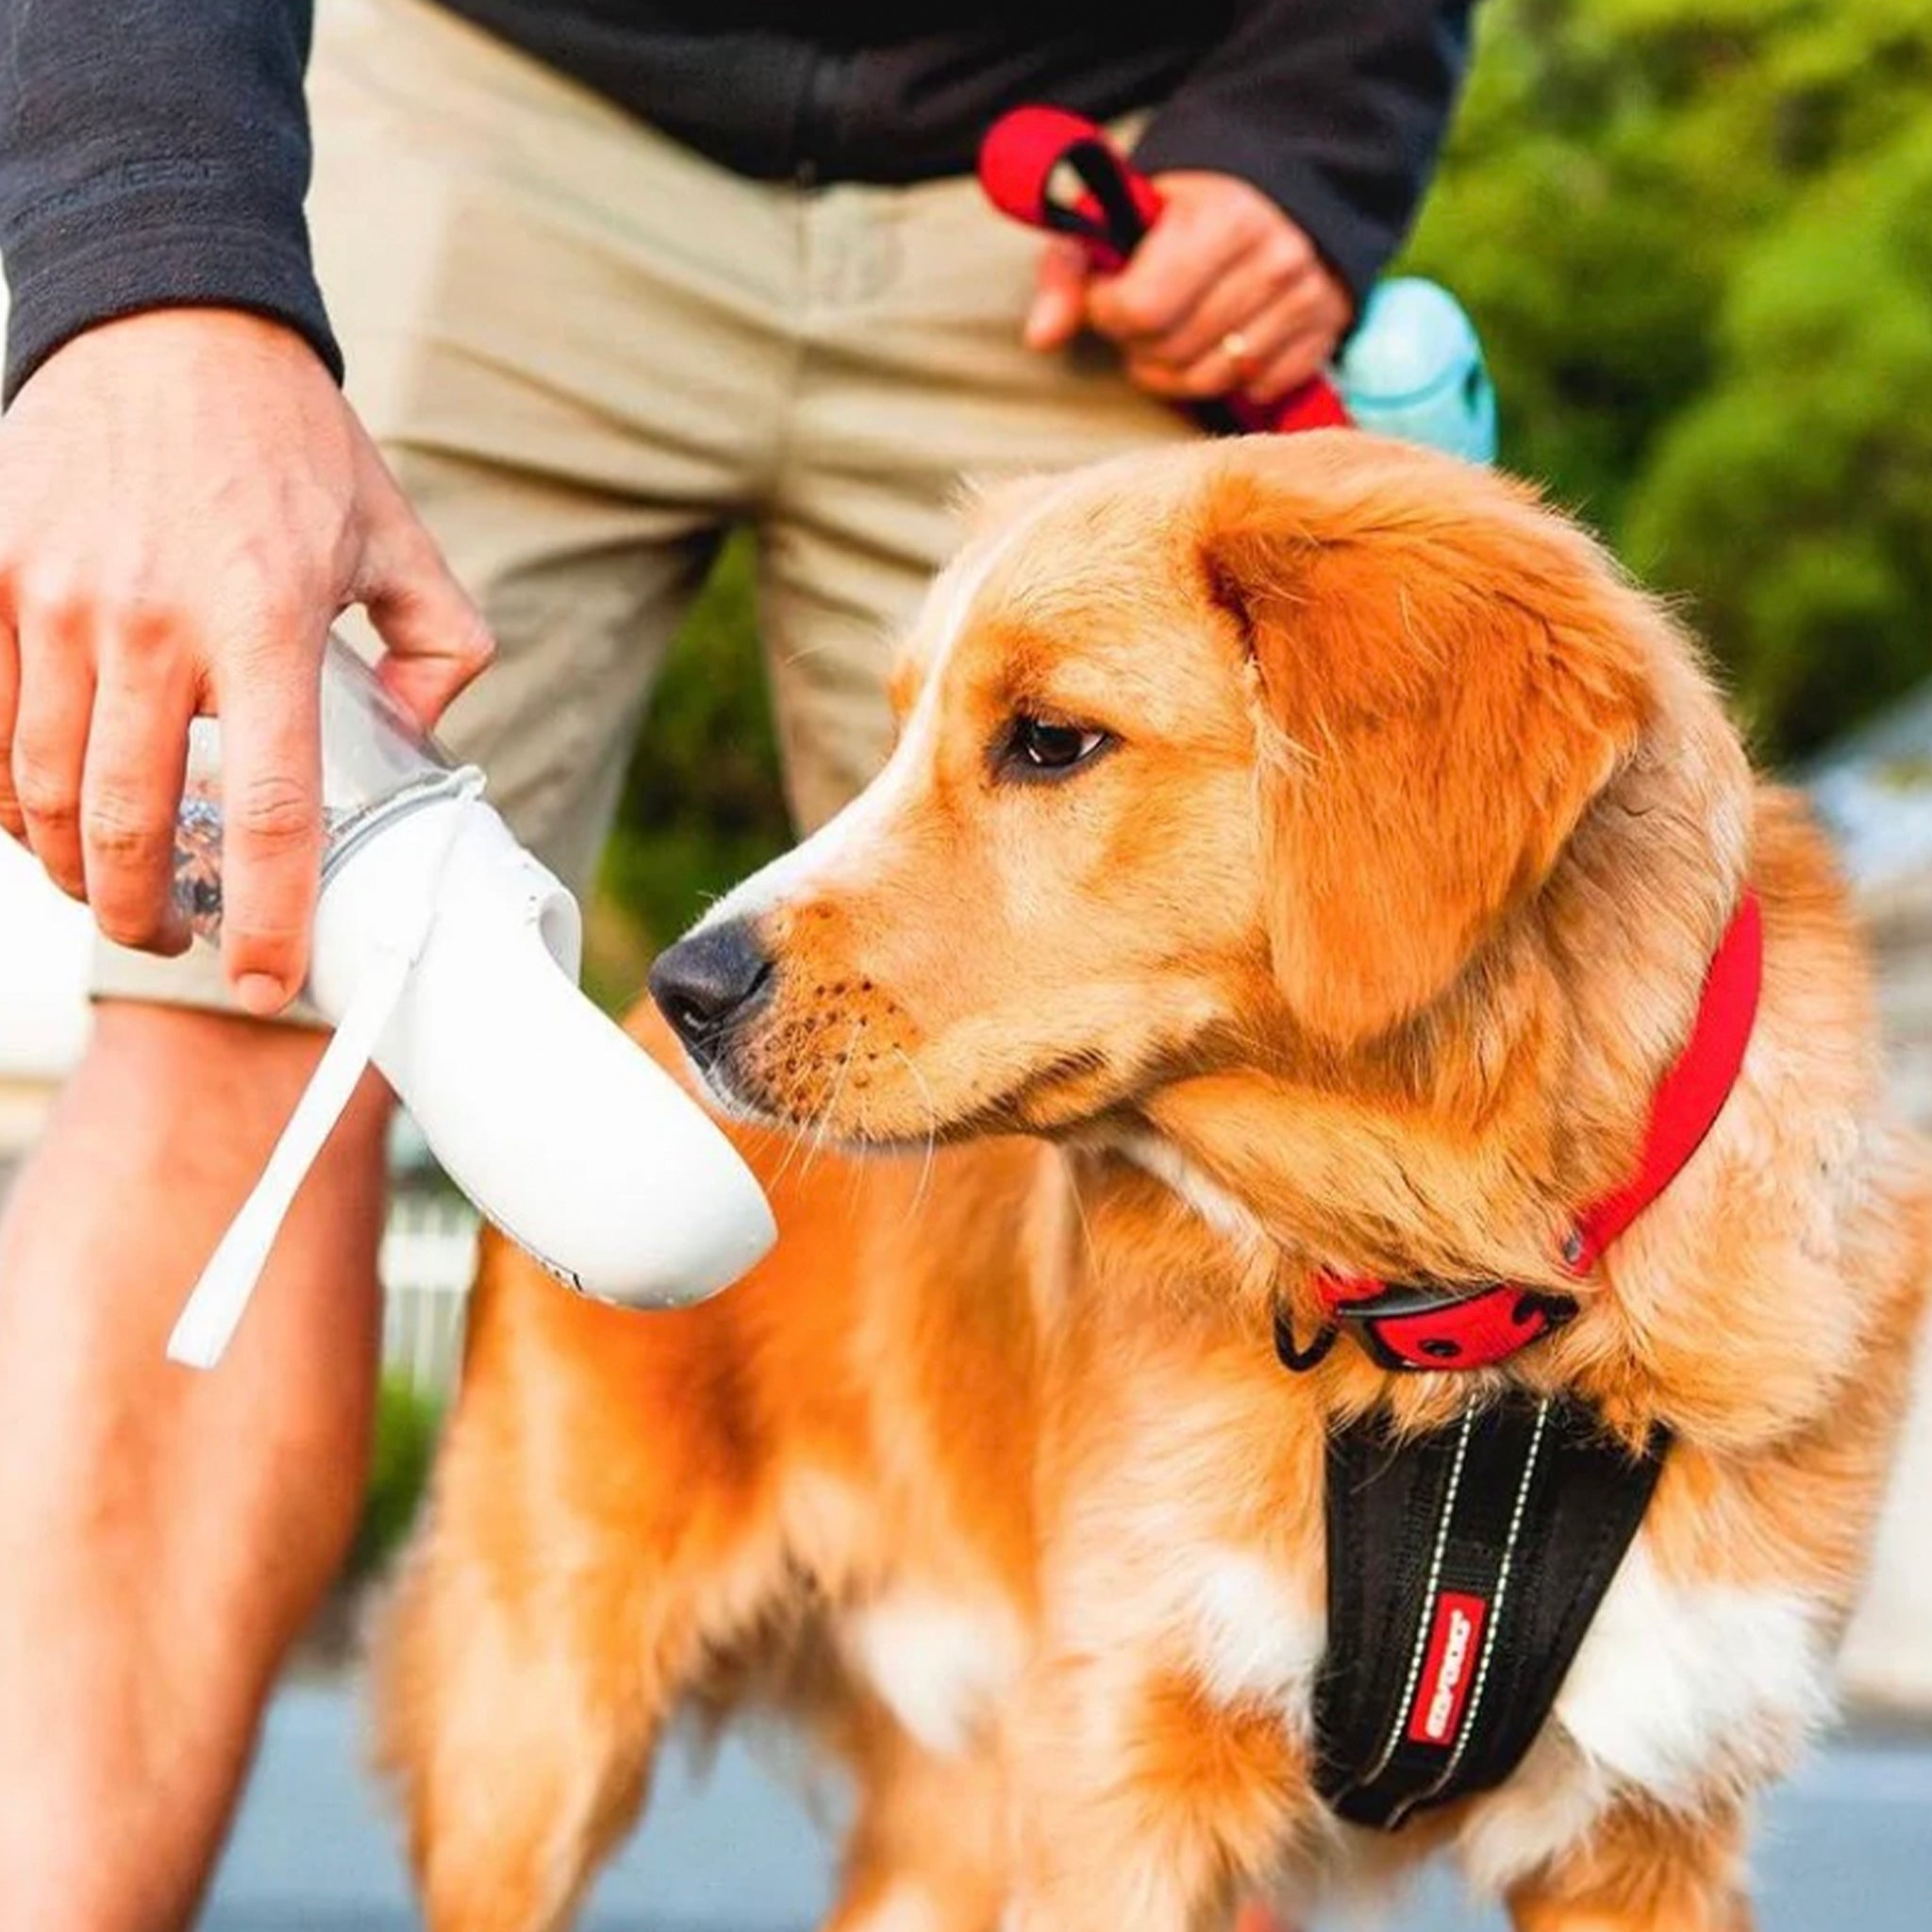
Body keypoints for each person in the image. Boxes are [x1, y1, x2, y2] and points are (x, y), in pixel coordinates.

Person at [0, 2, 1471, 1924]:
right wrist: (157, 263)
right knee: (240, 1016)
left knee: (1250, 1091)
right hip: (483, 96)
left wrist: (1304, 130)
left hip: (1084, 172)